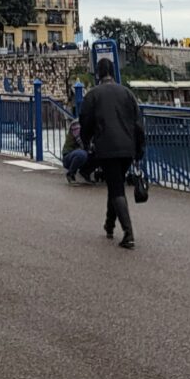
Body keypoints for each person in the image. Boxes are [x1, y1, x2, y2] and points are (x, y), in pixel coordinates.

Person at [78, 57, 146, 249]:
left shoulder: (93, 95)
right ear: (113, 72)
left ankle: (128, 233)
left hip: (107, 147)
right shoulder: (127, 93)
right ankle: (109, 225)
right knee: (115, 184)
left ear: (98, 73)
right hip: (128, 148)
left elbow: (85, 121)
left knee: (116, 188)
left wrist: (87, 142)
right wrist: (140, 149)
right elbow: (137, 123)